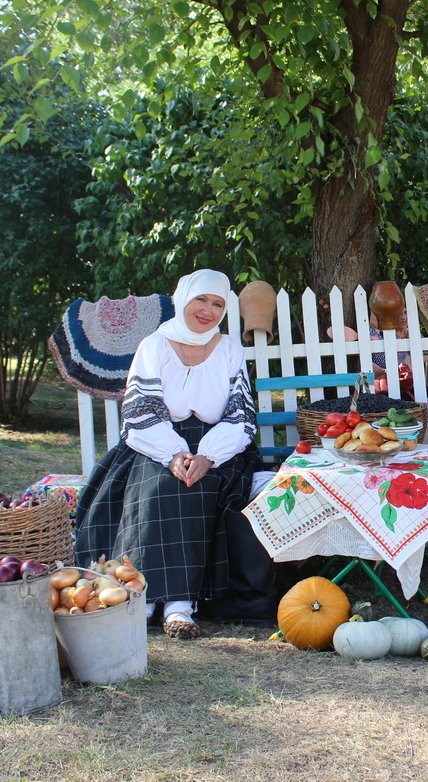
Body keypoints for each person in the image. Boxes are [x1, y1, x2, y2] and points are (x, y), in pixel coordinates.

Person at [74, 269, 274, 638]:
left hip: (218, 447)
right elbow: (140, 414)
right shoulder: (154, 345)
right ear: (183, 299)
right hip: (155, 442)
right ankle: (145, 595)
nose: (208, 310)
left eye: (218, 304)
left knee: (200, 485)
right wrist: (172, 455)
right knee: (159, 485)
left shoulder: (229, 348)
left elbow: (240, 417)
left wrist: (207, 456)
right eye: (201, 299)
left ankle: (179, 606)